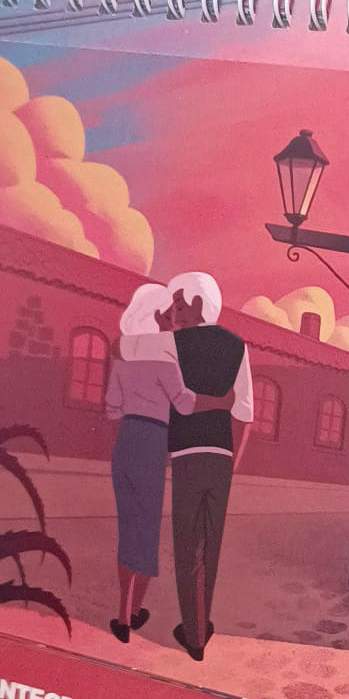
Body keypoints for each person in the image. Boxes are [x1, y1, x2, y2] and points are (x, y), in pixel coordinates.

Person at [162, 272, 253, 661]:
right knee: (210, 542)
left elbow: (166, 402)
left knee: (188, 543)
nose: (174, 312)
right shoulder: (237, 346)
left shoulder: (171, 346)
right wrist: (235, 461)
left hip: (185, 453)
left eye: (180, 304)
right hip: (221, 456)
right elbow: (244, 411)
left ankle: (194, 632)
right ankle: (201, 627)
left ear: (199, 304)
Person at [104, 283, 195, 644]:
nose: (175, 322)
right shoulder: (166, 357)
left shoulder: (123, 356)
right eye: (171, 315)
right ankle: (131, 614)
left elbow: (112, 408)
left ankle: (123, 614)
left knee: (129, 527)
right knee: (146, 529)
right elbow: (183, 404)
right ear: (157, 316)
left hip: (126, 439)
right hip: (153, 441)